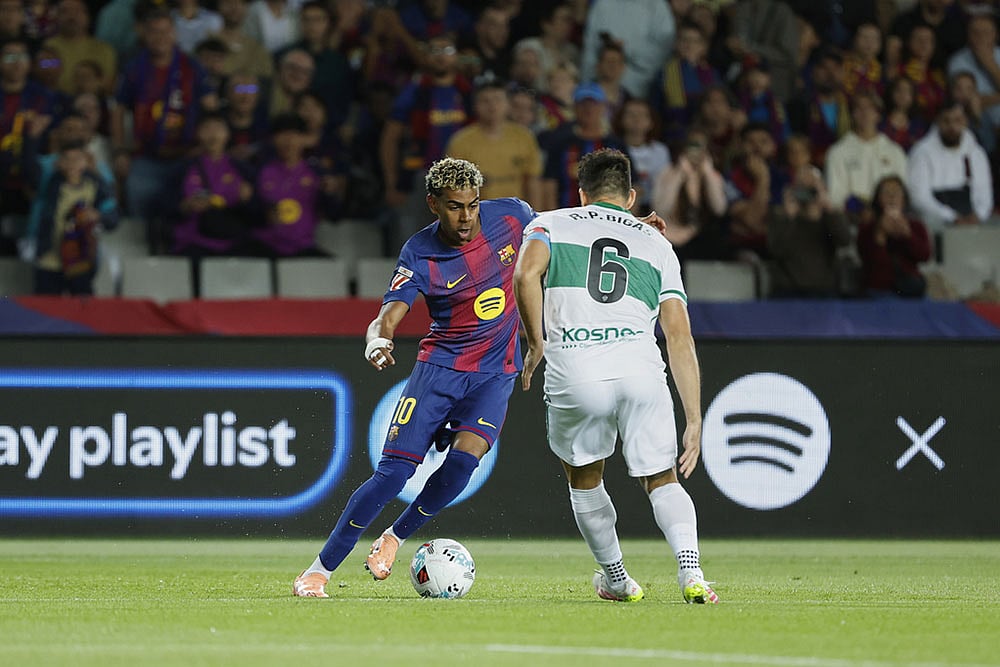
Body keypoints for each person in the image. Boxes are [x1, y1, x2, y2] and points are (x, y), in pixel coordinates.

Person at [292, 157, 537, 598]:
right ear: (433, 204)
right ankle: (318, 571)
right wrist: (377, 340)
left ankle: (394, 536)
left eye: (472, 205)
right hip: (439, 371)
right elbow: (388, 315)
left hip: (495, 371)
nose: (466, 217)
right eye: (454, 207)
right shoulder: (419, 252)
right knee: (392, 476)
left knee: (463, 464)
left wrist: (633, 227)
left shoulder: (512, 216)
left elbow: (567, 233)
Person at [512, 147, 717, 604]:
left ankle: (617, 578)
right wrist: (694, 417)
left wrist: (535, 341)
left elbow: (525, 274)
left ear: (581, 193)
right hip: (639, 369)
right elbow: (679, 335)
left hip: (576, 368)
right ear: (631, 197)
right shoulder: (657, 243)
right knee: (662, 479)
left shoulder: (550, 223)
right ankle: (692, 573)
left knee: (584, 476)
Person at [907, 95, 994, 232]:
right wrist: (952, 217)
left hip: (971, 225)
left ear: (965, 121)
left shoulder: (976, 153)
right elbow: (919, 197)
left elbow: (984, 194)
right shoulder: (922, 152)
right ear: (938, 122)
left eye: (957, 120)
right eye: (946, 121)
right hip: (933, 226)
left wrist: (978, 215)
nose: (952, 127)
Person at [857, 174, 932, 298]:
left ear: (904, 199)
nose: (892, 197)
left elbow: (925, 256)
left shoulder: (916, 225)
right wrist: (880, 234)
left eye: (896, 193)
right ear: (878, 199)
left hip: (910, 288)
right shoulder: (867, 227)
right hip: (879, 289)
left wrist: (908, 235)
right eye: (886, 193)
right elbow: (871, 265)